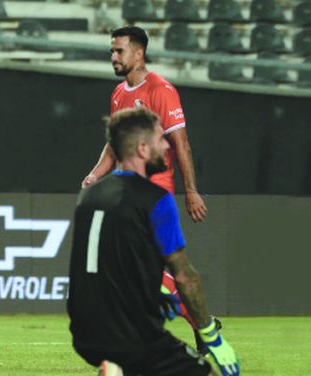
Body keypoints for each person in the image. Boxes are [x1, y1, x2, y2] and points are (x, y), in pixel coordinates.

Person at [68, 107, 239, 376]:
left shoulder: (89, 196)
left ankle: (116, 367)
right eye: (161, 139)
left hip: (84, 332)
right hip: (132, 334)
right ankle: (119, 363)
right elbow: (185, 277)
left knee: (127, 359)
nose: (167, 147)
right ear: (143, 149)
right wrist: (210, 335)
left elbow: (104, 267)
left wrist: (153, 295)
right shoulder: (155, 200)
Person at [81, 25, 211, 354]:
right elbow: (115, 146)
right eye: (112, 51)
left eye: (119, 50)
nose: (113, 56)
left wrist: (191, 190)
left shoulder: (161, 90)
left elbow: (181, 144)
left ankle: (193, 326)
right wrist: (95, 174)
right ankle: (197, 324)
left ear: (138, 54)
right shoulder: (118, 94)